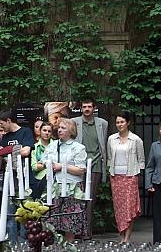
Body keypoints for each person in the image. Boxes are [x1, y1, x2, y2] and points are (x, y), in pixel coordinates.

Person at [40, 119, 88, 241]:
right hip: (54, 185)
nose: (59, 130)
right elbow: (43, 160)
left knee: (70, 219)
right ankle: (53, 246)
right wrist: (49, 164)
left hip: (72, 186)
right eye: (59, 127)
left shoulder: (78, 148)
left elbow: (81, 169)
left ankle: (69, 245)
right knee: (51, 217)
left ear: (71, 131)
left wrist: (62, 167)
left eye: (63, 128)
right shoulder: (52, 145)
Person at [71, 99, 109, 238]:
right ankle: (77, 230)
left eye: (89, 106)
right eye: (84, 106)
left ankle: (86, 232)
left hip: (96, 164)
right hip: (79, 165)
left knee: (90, 199)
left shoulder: (102, 123)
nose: (87, 109)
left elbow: (103, 144)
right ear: (80, 108)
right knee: (78, 198)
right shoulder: (74, 122)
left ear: (94, 108)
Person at [107, 111, 145, 243]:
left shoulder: (135, 139)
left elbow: (141, 160)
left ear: (128, 123)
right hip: (115, 176)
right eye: (117, 122)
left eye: (122, 122)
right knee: (119, 207)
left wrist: (136, 176)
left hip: (130, 176)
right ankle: (121, 234)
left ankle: (127, 237)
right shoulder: (111, 139)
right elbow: (109, 157)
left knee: (129, 207)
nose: (119, 124)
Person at [0, 109, 35, 243]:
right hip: (9, 178)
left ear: (9, 120)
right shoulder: (6, 137)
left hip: (23, 177)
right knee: (10, 213)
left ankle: (25, 243)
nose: (1, 128)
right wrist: (15, 149)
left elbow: (26, 151)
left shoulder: (25, 132)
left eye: (2, 124)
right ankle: (12, 244)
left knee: (25, 211)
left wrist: (8, 151)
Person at [31, 122, 54, 200]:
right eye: (44, 130)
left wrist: (42, 163)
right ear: (40, 131)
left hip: (54, 179)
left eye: (49, 131)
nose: (47, 133)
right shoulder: (35, 147)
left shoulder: (56, 146)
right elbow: (34, 167)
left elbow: (59, 163)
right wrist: (49, 163)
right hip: (39, 180)